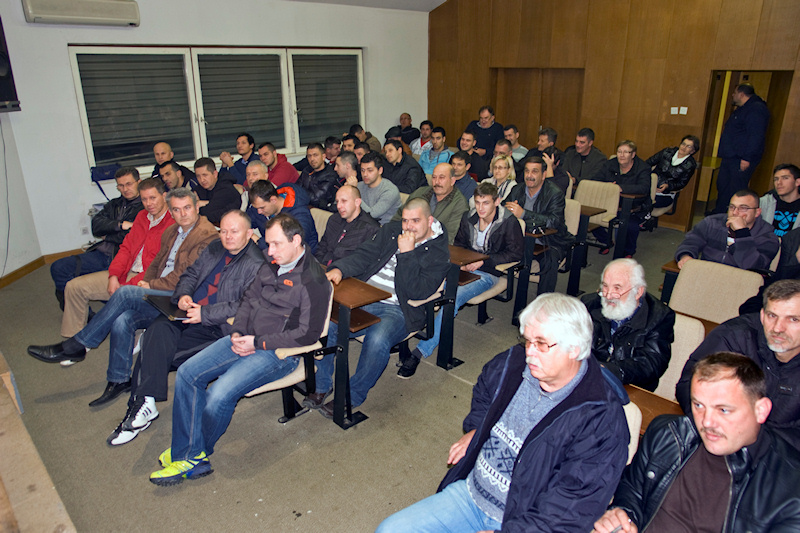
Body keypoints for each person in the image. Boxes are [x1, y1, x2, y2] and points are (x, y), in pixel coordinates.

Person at [377, 293, 629, 533]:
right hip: (471, 494)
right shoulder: (514, 363)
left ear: (574, 348)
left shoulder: (601, 419)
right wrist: (477, 428)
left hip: (524, 520)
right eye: (527, 340)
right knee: (390, 529)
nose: (530, 352)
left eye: (541, 344)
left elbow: (570, 510)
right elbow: (485, 388)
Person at [148, 214, 332, 486]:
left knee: (219, 394)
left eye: (277, 244)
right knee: (187, 373)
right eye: (268, 244)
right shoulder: (271, 263)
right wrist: (237, 332)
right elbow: (248, 300)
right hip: (244, 336)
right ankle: (188, 451)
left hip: (278, 353)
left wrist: (257, 343)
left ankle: (193, 455)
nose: (270, 251)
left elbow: (308, 334)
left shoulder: (314, 281)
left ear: (296, 241)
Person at [28, 188, 219, 406]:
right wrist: (146, 281)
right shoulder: (172, 231)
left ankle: (79, 345)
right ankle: (118, 379)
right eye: (176, 209)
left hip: (181, 298)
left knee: (126, 293)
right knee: (123, 318)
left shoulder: (207, 236)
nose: (182, 214)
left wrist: (150, 285)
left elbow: (185, 276)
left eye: (187, 208)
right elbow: (156, 263)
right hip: (160, 292)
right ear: (171, 211)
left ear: (196, 207)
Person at [107, 210, 265, 446]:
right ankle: (143, 406)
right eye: (223, 231)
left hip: (215, 327)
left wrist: (205, 313)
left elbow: (246, 304)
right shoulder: (215, 247)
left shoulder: (257, 264)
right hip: (185, 312)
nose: (228, 237)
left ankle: (138, 410)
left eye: (234, 231)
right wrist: (183, 295)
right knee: (155, 333)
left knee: (154, 352)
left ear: (249, 233)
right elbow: (189, 275)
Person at [595, 352, 800, 533]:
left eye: (723, 410)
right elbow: (631, 491)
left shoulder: (791, 488)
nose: (706, 422)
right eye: (699, 405)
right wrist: (623, 517)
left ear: (761, 410)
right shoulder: (668, 435)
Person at [304, 198, 450, 415]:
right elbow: (365, 254)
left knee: (378, 339)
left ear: (429, 221)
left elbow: (418, 291)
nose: (408, 227)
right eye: (405, 220)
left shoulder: (439, 252)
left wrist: (407, 254)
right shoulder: (392, 230)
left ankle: (352, 396)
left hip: (399, 308)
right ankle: (323, 385)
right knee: (328, 324)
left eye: (415, 221)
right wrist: (340, 269)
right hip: (364, 296)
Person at [398, 182, 523, 378]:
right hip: (461, 267)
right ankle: (406, 331)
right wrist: (463, 262)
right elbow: (459, 245)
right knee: (426, 286)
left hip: (488, 273)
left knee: (452, 298)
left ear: (497, 202)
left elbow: (515, 253)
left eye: (486, 203)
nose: (480, 208)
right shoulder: (468, 217)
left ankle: (420, 351)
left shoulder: (508, 221)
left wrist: (484, 261)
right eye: (478, 202)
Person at [676, 279, 800, 448]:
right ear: (762, 316)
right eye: (772, 316)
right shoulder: (734, 337)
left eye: (793, 319)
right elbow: (688, 386)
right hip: (717, 438)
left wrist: (755, 442)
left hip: (781, 456)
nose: (778, 328)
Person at [57, 178, 174, 339]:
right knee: (73, 287)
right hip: (126, 272)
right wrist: (114, 275)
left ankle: (81, 342)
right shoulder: (141, 216)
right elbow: (125, 249)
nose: (148, 204)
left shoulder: (173, 223)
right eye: (144, 199)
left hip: (147, 279)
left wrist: (125, 288)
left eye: (153, 198)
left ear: (164, 196)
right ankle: (73, 338)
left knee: (123, 304)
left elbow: (160, 267)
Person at [50, 167, 143, 310]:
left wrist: (109, 233)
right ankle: (84, 315)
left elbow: (132, 237)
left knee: (108, 292)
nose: (125, 189)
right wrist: (120, 225)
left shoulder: (146, 206)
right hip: (101, 253)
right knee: (58, 267)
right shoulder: (114, 204)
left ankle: (114, 307)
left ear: (139, 182)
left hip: (121, 258)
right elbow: (96, 226)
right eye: (120, 185)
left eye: (129, 184)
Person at [581, 258, 675, 391]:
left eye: (617, 288)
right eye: (605, 286)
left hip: (630, 386)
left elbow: (651, 363)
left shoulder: (659, 317)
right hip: (588, 380)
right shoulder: (589, 305)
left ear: (638, 292)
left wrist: (609, 370)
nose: (608, 295)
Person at [504, 156, 573, 296]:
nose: (529, 175)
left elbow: (554, 222)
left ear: (544, 175)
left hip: (549, 241)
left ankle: (544, 301)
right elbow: (502, 210)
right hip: (521, 240)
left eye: (534, 171)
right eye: (527, 171)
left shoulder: (555, 193)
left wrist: (524, 214)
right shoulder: (517, 189)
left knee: (550, 260)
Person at [675, 188, 779, 271]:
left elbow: (753, 267)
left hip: (741, 282)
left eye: (743, 208)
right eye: (732, 207)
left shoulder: (767, 236)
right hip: (707, 273)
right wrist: (686, 255)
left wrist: (742, 233)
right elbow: (691, 241)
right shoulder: (712, 222)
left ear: (757, 212)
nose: (735, 212)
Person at [712, 84, 770, 214]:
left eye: (734, 93)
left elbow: (756, 136)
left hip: (741, 158)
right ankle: (720, 213)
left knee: (735, 189)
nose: (733, 95)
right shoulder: (742, 109)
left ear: (741, 94)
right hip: (730, 156)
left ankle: (733, 216)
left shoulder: (756, 109)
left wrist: (747, 158)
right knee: (723, 185)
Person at [590, 140, 652, 256]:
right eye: (619, 152)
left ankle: (628, 251)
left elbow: (644, 188)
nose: (621, 155)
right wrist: (606, 186)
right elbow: (595, 180)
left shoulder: (643, 168)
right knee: (588, 217)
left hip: (634, 207)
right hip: (610, 204)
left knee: (630, 226)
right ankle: (606, 241)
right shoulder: (610, 164)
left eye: (626, 152)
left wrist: (620, 188)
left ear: (633, 155)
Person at [393, 162, 469, 244]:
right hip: (404, 239)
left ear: (452, 181)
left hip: (433, 246)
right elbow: (398, 217)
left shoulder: (459, 204)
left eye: (442, 178)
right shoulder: (420, 193)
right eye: (434, 177)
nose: (437, 182)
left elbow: (449, 238)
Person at [640, 135, 700, 231]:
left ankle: (642, 219)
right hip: (650, 186)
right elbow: (647, 164)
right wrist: (646, 180)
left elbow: (681, 183)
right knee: (638, 196)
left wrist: (668, 186)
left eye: (688, 146)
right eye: (683, 144)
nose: (684, 147)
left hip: (666, 194)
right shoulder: (667, 152)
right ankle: (641, 218)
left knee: (648, 200)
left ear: (692, 151)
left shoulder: (690, 165)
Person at [314, 185, 379, 267]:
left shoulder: (370, 228)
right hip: (322, 266)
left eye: (344, 201)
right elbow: (322, 246)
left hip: (345, 271)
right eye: (337, 201)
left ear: (357, 202)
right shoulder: (334, 219)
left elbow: (362, 261)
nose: (338, 206)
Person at [248, 179, 318, 254]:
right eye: (257, 208)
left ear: (273, 200)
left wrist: (258, 241)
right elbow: (245, 221)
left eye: (262, 208)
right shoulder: (262, 205)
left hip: (301, 257)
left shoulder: (300, 214)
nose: (259, 212)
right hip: (270, 253)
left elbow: (292, 246)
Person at [355, 151, 402, 225]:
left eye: (370, 170)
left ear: (380, 170)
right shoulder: (359, 185)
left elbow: (372, 215)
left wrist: (354, 193)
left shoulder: (390, 190)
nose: (365, 174)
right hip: (362, 225)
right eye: (362, 170)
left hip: (383, 227)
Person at [193, 158, 242, 226]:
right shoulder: (199, 189)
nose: (202, 180)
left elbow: (207, 214)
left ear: (215, 174)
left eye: (205, 175)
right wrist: (207, 204)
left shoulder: (226, 188)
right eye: (198, 176)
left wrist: (200, 204)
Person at [296, 142, 341, 212]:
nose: (312, 159)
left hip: (322, 211)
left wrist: (300, 192)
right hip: (304, 206)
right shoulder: (307, 170)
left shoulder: (330, 175)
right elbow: (295, 188)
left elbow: (316, 199)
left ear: (323, 157)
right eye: (309, 156)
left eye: (315, 155)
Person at [759, 163, 800, 237]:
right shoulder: (763, 202)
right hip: (766, 243)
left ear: (797, 182)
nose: (779, 182)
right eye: (776, 179)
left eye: (785, 178)